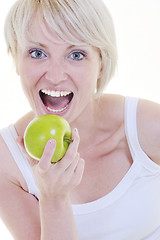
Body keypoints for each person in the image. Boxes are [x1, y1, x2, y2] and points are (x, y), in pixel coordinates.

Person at [0, 0, 160, 239]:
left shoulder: (147, 126)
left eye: (76, 54)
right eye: (37, 53)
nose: (55, 76)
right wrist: (54, 198)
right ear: (16, 60)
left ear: (101, 65)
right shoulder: (7, 161)